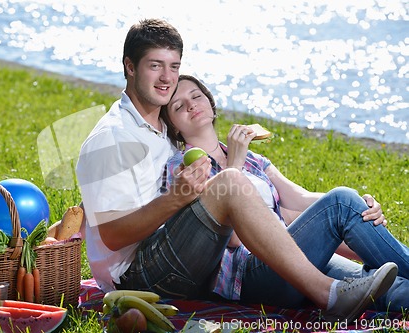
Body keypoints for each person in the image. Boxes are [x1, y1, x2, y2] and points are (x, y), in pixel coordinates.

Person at [75, 18, 398, 323]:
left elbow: (286, 205)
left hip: (187, 257)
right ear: (130, 67)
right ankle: (329, 298)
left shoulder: (163, 130)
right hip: (140, 277)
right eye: (154, 66)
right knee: (230, 182)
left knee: (386, 282)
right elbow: (112, 235)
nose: (166, 77)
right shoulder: (112, 138)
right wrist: (177, 199)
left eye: (173, 66)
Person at [160, 74, 409, 312]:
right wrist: (233, 163)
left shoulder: (253, 160)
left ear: (211, 104)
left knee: (386, 287)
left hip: (295, 256)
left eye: (196, 96)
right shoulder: (183, 168)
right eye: (179, 106)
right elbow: (232, 238)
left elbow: (301, 197)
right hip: (252, 274)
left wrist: (360, 206)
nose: (192, 106)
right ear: (173, 124)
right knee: (341, 201)